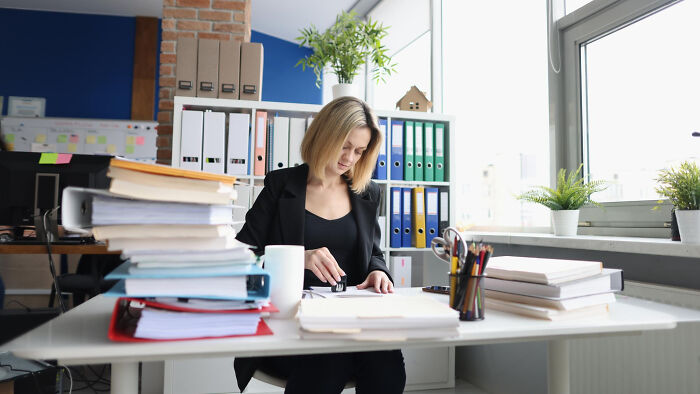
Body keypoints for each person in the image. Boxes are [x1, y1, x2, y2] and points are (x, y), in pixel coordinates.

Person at [233, 96, 406, 393]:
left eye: (359, 151)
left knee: (388, 367)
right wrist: (296, 258)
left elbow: (374, 252)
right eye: (345, 146)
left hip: (354, 323)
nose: (350, 158)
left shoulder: (367, 193)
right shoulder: (280, 185)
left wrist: (379, 272)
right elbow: (240, 257)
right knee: (328, 364)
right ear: (325, 135)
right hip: (291, 326)